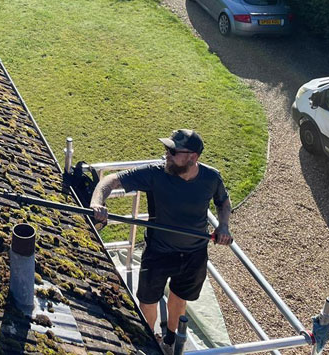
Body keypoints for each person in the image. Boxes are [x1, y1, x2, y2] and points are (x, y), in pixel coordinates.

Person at [89, 129, 232, 354]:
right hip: (158, 253)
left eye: (173, 151)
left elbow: (223, 202)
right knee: (147, 300)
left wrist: (223, 226)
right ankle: (149, 339)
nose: (166, 155)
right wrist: (98, 202)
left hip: (194, 254)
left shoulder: (211, 178)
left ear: (193, 158)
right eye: (166, 149)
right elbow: (111, 180)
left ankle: (170, 338)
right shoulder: (156, 173)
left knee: (179, 298)